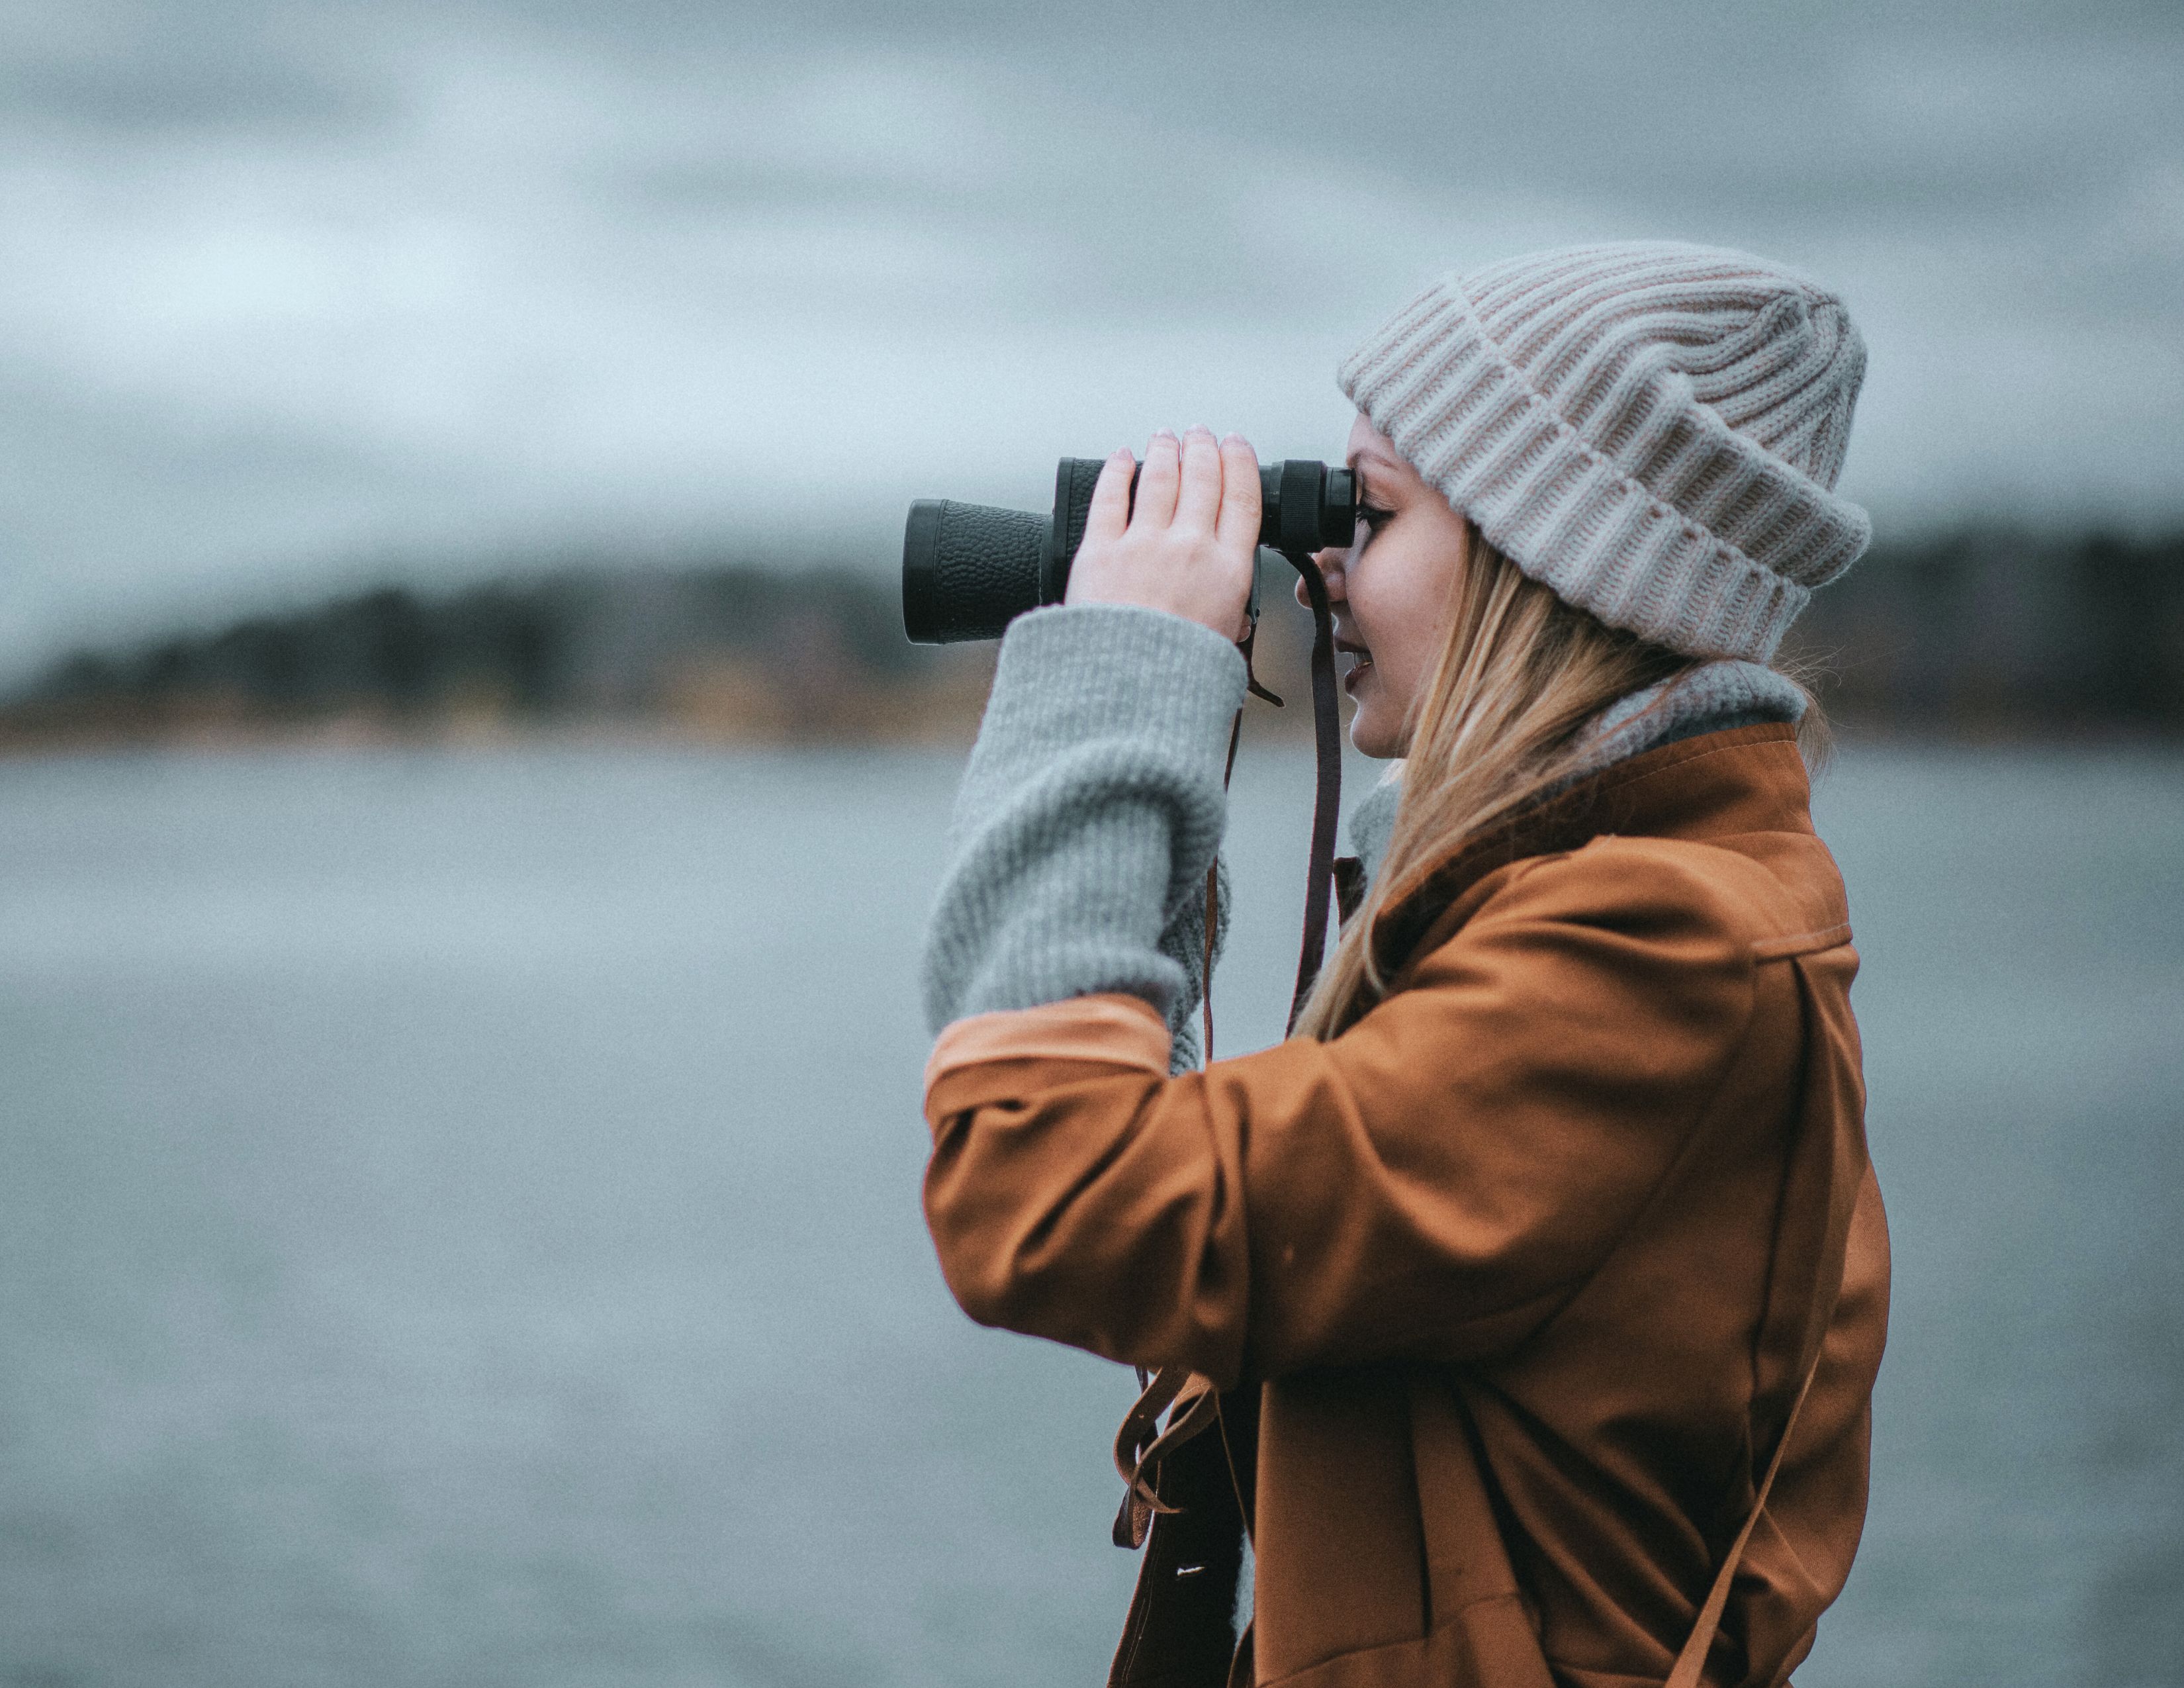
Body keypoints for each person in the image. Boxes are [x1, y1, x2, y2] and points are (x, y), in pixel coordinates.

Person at [917, 242, 1890, 1688]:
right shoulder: (1631, 909)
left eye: (1367, 513)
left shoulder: (1655, 956)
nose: (1320, 563)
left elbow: (1045, 1190)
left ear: (1541, 556)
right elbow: (1231, 1243)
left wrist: (1116, 679)